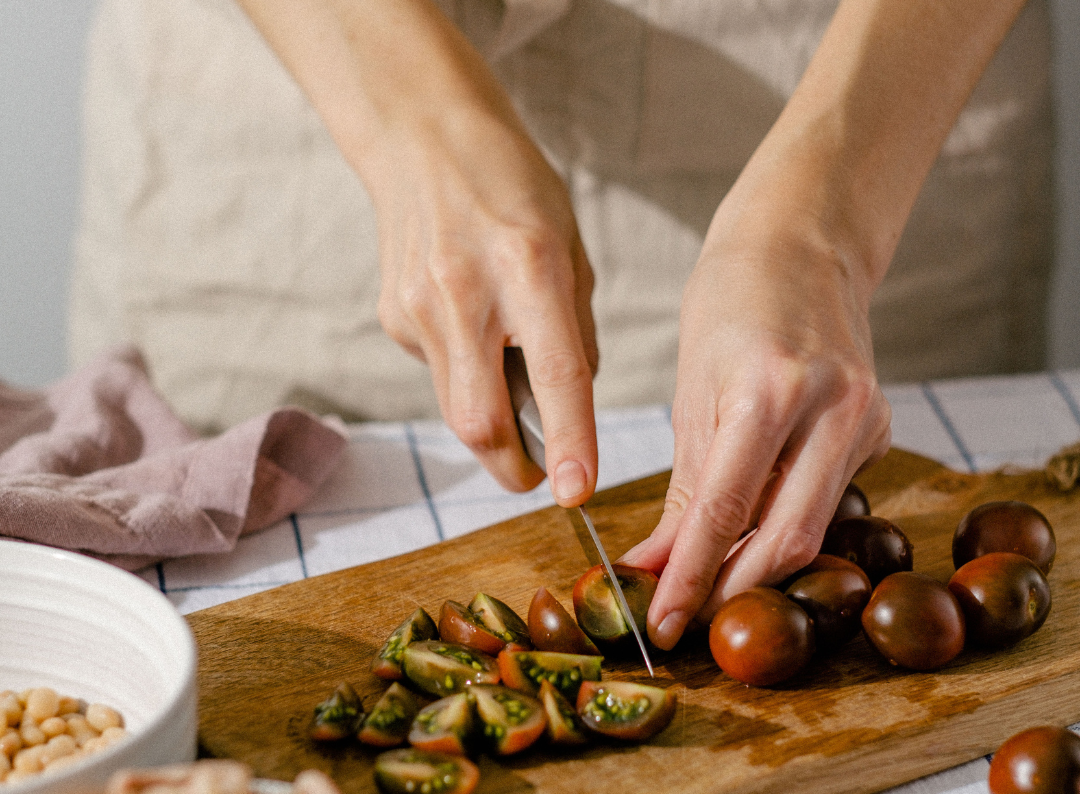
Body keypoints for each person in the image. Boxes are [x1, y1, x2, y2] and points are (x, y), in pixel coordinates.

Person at [70, 0, 1053, 649]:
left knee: (821, 486)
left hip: (855, 80)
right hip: (295, 105)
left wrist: (828, 219)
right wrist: (413, 117)